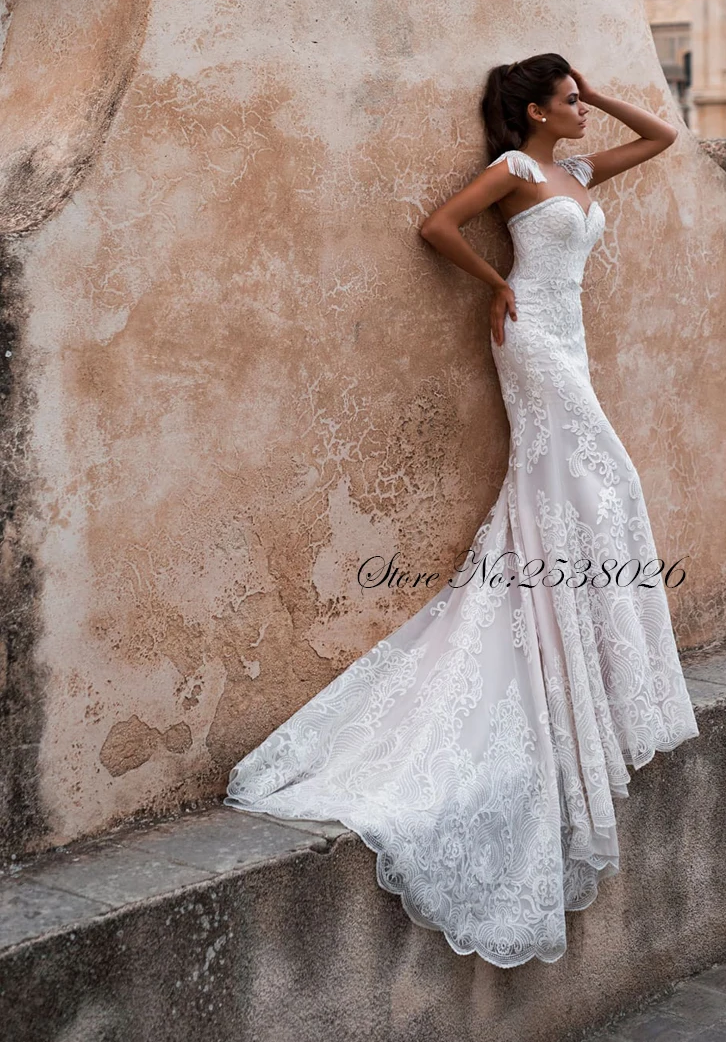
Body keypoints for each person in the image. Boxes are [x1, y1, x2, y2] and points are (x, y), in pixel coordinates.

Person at [224, 52, 700, 969]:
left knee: (565, 495)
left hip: (573, 339)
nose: (580, 110)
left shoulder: (579, 170)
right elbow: (435, 225)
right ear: (529, 109)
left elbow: (664, 136)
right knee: (614, 481)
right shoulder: (519, 172)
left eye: (578, 97)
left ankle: (569, 638)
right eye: (566, 98)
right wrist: (497, 286)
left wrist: (591, 92)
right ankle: (574, 635)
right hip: (530, 337)